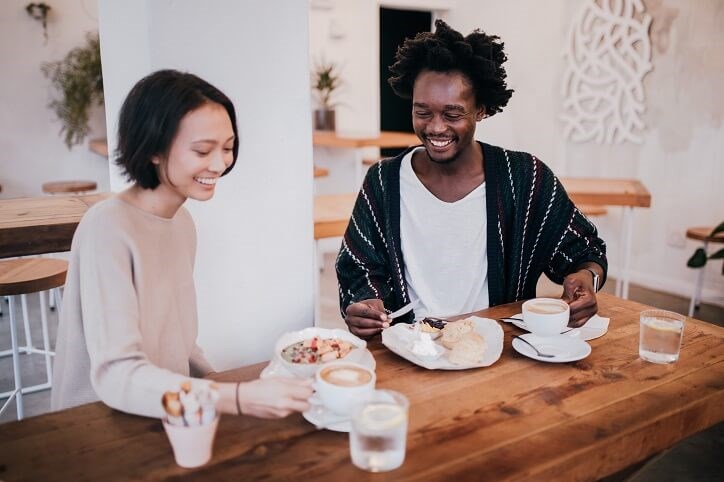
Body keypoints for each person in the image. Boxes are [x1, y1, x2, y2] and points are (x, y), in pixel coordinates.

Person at [51, 70, 313, 419]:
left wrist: (217, 381)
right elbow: (116, 375)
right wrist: (235, 397)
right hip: (96, 425)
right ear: (153, 149)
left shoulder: (181, 222)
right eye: (203, 150)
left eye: (228, 147)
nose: (220, 163)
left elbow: (178, 343)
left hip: (167, 411)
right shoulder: (108, 227)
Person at [337, 20, 607, 338]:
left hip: (498, 352)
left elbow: (583, 250)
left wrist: (586, 277)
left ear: (480, 110)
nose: (436, 128)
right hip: (409, 351)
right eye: (422, 112)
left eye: (453, 114)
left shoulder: (525, 179)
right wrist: (365, 305)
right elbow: (358, 267)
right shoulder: (383, 182)